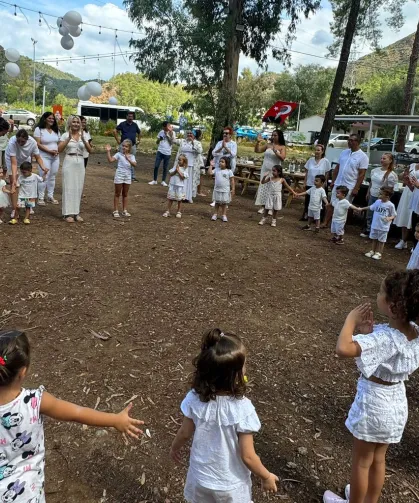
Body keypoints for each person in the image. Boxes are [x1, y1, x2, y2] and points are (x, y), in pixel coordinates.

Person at [0, 329, 144, 502]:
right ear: (23, 372)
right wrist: (115, 420)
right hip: (27, 494)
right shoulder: (34, 402)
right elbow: (77, 413)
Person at [323, 270, 419, 503]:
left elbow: (343, 348)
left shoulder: (385, 339)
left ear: (393, 306)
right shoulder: (415, 331)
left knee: (361, 462)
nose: (377, 294)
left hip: (374, 404)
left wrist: (350, 321)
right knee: (378, 459)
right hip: (395, 403)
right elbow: (387, 351)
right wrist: (368, 333)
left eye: (380, 292)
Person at [170, 328, 279, 502]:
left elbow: (184, 433)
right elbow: (248, 456)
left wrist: (174, 448)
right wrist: (266, 476)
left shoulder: (194, 399)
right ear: (235, 377)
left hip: (200, 477)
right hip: (231, 485)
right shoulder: (243, 409)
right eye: (243, 366)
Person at [323, 134, 369, 228]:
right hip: (339, 182)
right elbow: (337, 168)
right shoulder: (344, 152)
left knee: (345, 205)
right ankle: (325, 222)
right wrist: (333, 181)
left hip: (350, 184)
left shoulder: (363, 156)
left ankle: (341, 225)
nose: (349, 142)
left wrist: (356, 187)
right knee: (332, 203)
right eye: (349, 140)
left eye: (352, 140)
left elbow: (361, 174)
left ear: (357, 142)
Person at [5, 129, 47, 222]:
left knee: (28, 181)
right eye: (18, 140)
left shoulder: (32, 143)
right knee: (14, 183)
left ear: (27, 139)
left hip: (25, 158)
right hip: (12, 159)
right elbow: (14, 164)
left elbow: (38, 157)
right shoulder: (12, 142)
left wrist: (43, 167)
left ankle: (28, 204)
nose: (20, 143)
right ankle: (15, 209)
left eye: (22, 141)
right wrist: (15, 178)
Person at [58, 116, 92, 223]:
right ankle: (67, 213)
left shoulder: (84, 135)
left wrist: (84, 140)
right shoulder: (65, 135)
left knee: (78, 187)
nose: (76, 124)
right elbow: (59, 149)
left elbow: (90, 150)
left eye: (78, 122)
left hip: (80, 162)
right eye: (74, 122)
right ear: (70, 123)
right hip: (69, 160)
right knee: (68, 187)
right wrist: (68, 138)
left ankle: (76, 212)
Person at [360, 153, 398, 238]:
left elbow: (390, 189)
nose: (382, 160)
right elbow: (371, 183)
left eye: (384, 159)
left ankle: (377, 231)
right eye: (381, 158)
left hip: (381, 197)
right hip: (372, 194)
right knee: (370, 212)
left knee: (379, 214)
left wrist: (386, 199)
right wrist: (368, 192)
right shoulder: (375, 170)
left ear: (390, 161)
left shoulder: (391, 175)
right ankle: (369, 229)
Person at [358, 188, 397, 261]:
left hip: (383, 226)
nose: (379, 195)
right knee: (374, 238)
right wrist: (362, 208)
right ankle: (372, 250)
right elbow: (371, 207)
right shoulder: (377, 202)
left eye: (381, 194)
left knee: (381, 240)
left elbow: (394, 214)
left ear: (387, 197)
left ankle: (379, 253)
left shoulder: (390, 205)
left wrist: (389, 218)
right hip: (375, 224)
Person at [254, 130, 286, 213]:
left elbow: (282, 158)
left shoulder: (282, 147)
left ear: (279, 136)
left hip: (275, 170)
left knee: (272, 188)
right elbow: (257, 151)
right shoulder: (268, 145)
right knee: (263, 186)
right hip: (265, 169)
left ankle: (270, 207)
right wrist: (258, 143)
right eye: (272, 135)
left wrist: (275, 151)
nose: (273, 137)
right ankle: (263, 206)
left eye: (275, 135)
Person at [33, 112, 61, 205]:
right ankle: (40, 197)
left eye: (53, 119)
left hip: (55, 157)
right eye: (49, 118)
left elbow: (59, 143)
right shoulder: (39, 129)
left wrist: (57, 151)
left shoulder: (56, 130)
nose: (51, 120)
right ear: (44, 119)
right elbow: (38, 143)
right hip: (44, 156)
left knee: (52, 176)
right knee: (44, 176)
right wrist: (49, 151)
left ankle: (50, 196)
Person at [106, 141, 136, 218]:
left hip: (127, 176)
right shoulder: (118, 154)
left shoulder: (132, 156)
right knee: (117, 193)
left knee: (125, 194)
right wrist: (108, 151)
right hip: (119, 175)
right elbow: (110, 160)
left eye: (126, 146)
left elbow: (134, 164)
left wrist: (128, 159)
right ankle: (115, 210)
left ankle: (124, 210)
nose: (124, 147)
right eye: (123, 146)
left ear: (129, 148)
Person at [301, 144, 331, 221]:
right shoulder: (310, 160)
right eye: (316, 150)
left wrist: (324, 184)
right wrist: (305, 182)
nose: (316, 152)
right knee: (308, 200)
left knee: (319, 201)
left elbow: (327, 174)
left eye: (318, 150)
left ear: (322, 151)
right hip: (310, 183)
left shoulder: (325, 161)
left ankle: (318, 218)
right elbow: (306, 172)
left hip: (320, 185)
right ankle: (306, 215)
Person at [172, 131, 203, 203]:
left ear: (194, 135)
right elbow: (173, 140)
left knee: (189, 181)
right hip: (182, 164)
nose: (189, 135)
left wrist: (193, 142)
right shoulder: (182, 141)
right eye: (188, 133)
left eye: (191, 134)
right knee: (181, 180)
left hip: (191, 165)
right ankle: (179, 196)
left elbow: (199, 151)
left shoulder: (197, 143)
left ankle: (188, 197)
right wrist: (171, 132)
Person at [113, 112, 141, 182]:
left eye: (131, 117)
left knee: (132, 160)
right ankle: (119, 175)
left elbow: (139, 132)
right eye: (129, 116)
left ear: (133, 117)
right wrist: (118, 141)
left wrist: (139, 140)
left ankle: (132, 176)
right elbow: (115, 131)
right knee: (121, 159)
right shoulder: (122, 124)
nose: (130, 118)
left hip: (133, 146)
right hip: (124, 145)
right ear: (127, 117)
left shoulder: (135, 125)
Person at [394, 164, 416, 250]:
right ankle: (403, 240)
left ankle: (414, 243)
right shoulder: (412, 165)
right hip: (407, 193)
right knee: (405, 215)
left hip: (416, 192)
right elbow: (400, 177)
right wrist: (404, 174)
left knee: (413, 218)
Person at [208, 156, 235, 222]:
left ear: (227, 163)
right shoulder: (217, 169)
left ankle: (224, 215)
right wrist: (211, 165)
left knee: (224, 203)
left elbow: (232, 180)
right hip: (217, 189)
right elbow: (210, 173)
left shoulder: (229, 171)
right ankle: (215, 214)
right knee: (217, 202)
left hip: (225, 190)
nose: (220, 163)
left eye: (222, 162)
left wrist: (233, 189)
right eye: (220, 161)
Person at [149, 121, 176, 186]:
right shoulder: (161, 132)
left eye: (168, 126)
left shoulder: (173, 133)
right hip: (160, 151)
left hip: (167, 152)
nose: (168, 127)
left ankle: (163, 181)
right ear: (163, 127)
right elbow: (157, 142)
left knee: (165, 167)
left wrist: (167, 135)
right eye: (166, 126)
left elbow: (172, 143)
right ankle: (154, 180)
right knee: (156, 166)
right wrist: (159, 139)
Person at [162, 154, 189, 219]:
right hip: (173, 184)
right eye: (178, 160)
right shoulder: (175, 166)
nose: (179, 161)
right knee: (170, 198)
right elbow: (171, 174)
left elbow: (182, 177)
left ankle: (179, 211)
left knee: (179, 199)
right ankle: (168, 211)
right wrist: (175, 170)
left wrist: (178, 171)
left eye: (180, 160)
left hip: (180, 186)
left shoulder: (185, 169)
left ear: (184, 161)